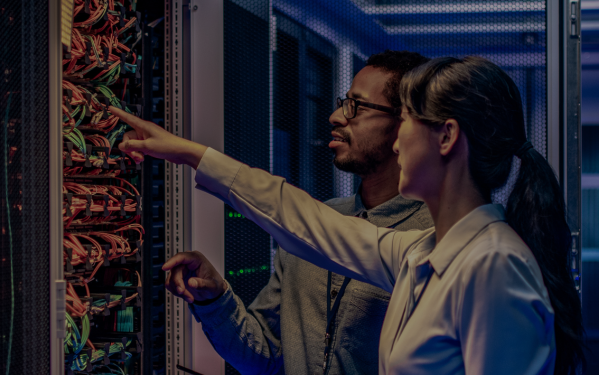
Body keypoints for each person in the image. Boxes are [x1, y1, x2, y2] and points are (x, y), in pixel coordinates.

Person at [111, 56, 584, 374]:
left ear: (446, 137)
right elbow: (303, 221)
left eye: (410, 123)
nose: (399, 139)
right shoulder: (424, 253)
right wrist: (192, 154)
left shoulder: (493, 265)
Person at [159, 51, 433, 375]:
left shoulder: (433, 241)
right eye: (342, 102)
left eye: (355, 106)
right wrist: (215, 299)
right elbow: (264, 356)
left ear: (406, 125)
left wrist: (194, 155)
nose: (335, 116)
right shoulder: (313, 228)